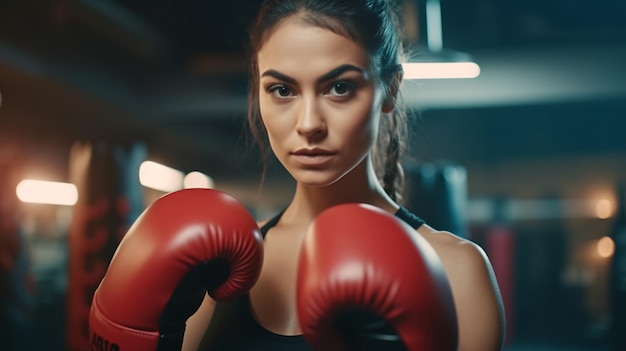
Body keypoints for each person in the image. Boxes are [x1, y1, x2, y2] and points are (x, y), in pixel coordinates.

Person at [180, 0, 506, 350]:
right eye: (282, 90)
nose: (308, 125)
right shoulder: (223, 266)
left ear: (390, 89)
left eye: (339, 88)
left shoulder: (457, 271)